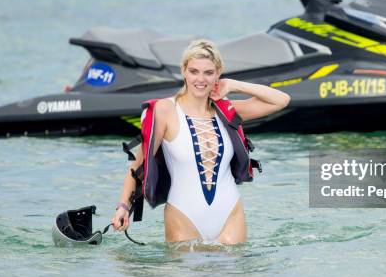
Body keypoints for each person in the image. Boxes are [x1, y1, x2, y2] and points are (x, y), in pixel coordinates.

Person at [111, 39, 290, 244]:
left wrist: (232, 85)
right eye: (194, 71)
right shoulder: (165, 110)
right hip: (183, 215)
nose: (200, 79)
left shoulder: (227, 110)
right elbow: (137, 167)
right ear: (183, 71)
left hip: (230, 213)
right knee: (188, 275)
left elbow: (281, 100)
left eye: (208, 72)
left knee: (237, 275)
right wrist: (123, 207)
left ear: (218, 74)